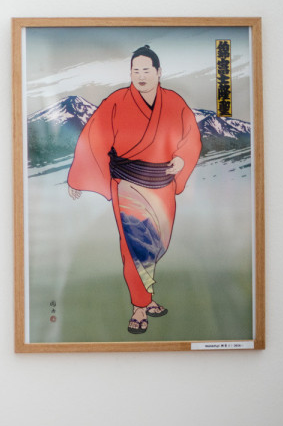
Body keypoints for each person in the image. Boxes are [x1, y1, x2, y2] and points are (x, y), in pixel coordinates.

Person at [67, 45, 201, 334]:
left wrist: (181, 158)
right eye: (135, 70)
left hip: (163, 185)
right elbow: (93, 138)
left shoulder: (174, 102)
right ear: (130, 73)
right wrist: (78, 178)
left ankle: (147, 298)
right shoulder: (116, 101)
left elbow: (190, 137)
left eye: (146, 70)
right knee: (133, 246)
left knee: (155, 245)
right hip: (127, 184)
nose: (140, 76)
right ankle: (139, 307)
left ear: (158, 72)